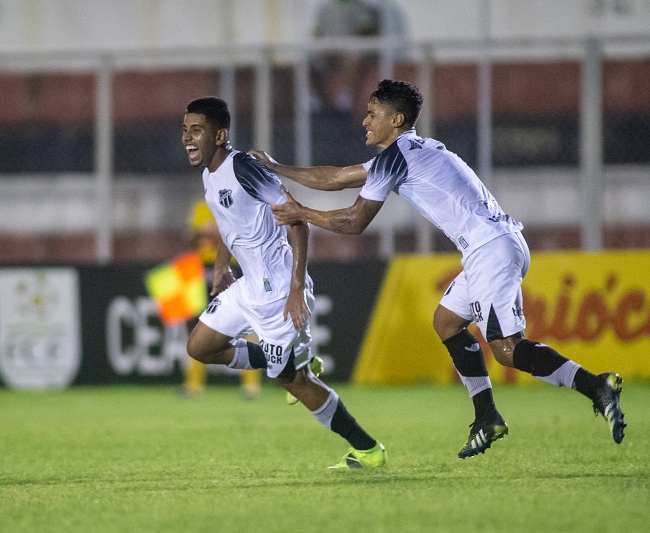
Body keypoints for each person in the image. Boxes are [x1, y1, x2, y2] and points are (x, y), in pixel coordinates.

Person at [250, 79, 627, 459]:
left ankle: (595, 386)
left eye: (372, 113)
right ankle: (487, 416)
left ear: (396, 119)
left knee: (507, 350)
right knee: (446, 321)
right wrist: (278, 168)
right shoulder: (411, 150)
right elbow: (336, 178)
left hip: (489, 249)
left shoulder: (396, 157)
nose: (364, 120)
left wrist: (301, 213)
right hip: (495, 243)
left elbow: (354, 220)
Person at [182, 96, 385, 469]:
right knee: (200, 346)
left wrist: (295, 292)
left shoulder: (242, 166)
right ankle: (292, 357)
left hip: (278, 289)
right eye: (185, 130)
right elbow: (231, 226)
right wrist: (221, 269)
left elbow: (296, 219)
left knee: (294, 382)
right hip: (246, 287)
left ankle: (368, 450)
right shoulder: (209, 175)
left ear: (220, 134)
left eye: (197, 130)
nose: (188, 138)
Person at [181, 199, 262, 400]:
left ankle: (251, 386)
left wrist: (210, 232)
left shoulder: (238, 203)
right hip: (202, 269)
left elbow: (233, 234)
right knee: (198, 326)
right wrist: (211, 232)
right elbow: (192, 239)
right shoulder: (201, 207)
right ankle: (194, 386)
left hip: (234, 268)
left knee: (245, 326)